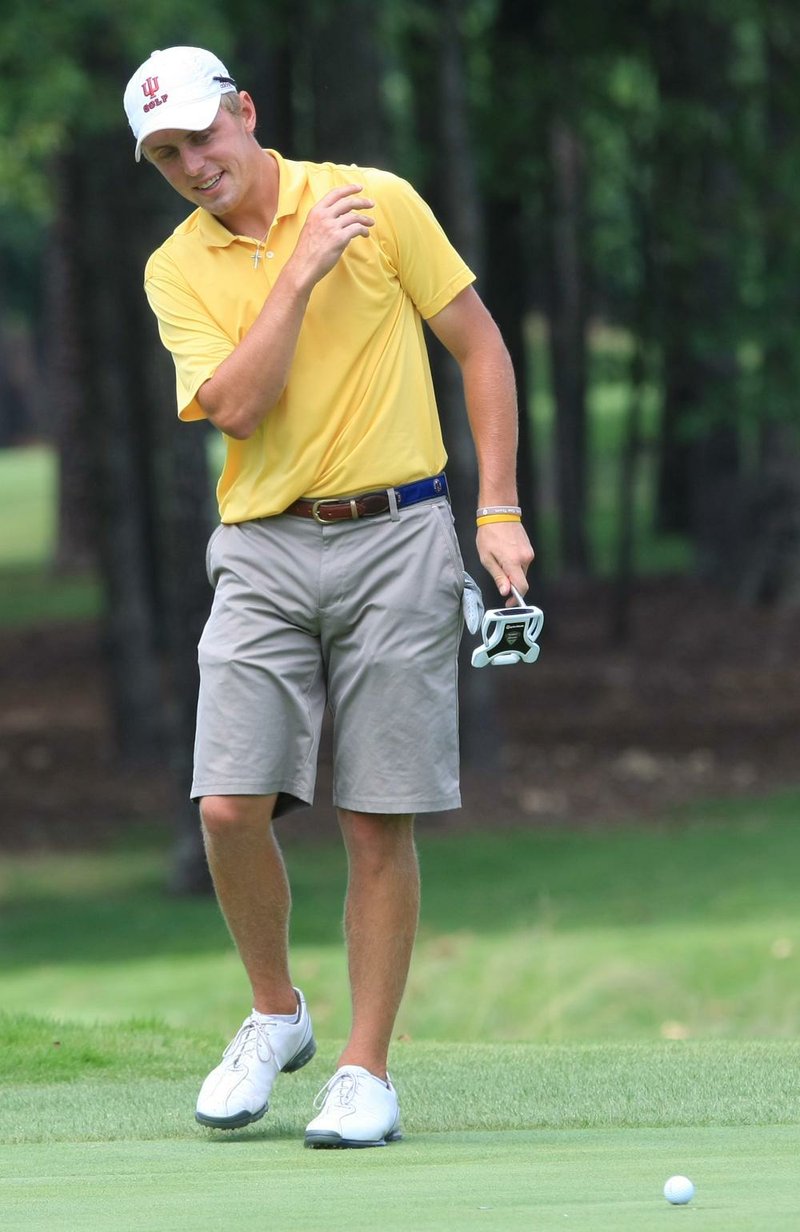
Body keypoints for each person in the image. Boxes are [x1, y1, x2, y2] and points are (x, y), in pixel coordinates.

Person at [123, 45, 533, 1149]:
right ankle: (275, 1014)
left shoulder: (378, 201)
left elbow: (479, 347)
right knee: (224, 802)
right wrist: (299, 269)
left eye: (202, 135)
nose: (191, 163)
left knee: (372, 813)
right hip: (259, 545)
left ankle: (364, 1068)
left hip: (398, 531)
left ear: (245, 112)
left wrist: (495, 508)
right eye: (164, 153)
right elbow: (241, 408)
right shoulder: (176, 269)